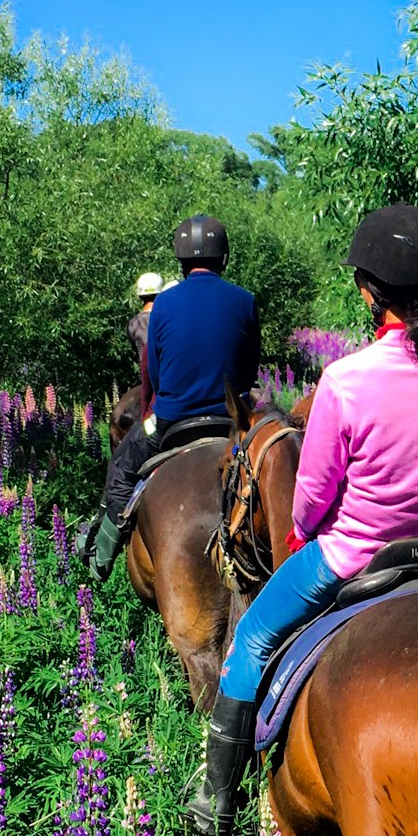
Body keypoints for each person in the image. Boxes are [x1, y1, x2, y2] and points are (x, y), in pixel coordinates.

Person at [190, 205, 418, 836]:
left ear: (368, 292)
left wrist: (307, 530)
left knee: (250, 638)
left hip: (350, 558)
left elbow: (311, 496)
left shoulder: (345, 379)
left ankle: (218, 800)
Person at [87, 216, 262, 581]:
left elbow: (154, 372)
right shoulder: (245, 301)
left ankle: (101, 555)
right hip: (232, 419)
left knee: (122, 465)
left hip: (171, 418)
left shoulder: (162, 305)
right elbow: (249, 370)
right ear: (223, 257)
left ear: (180, 261)